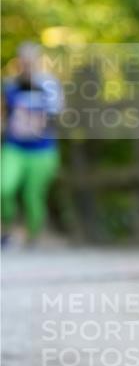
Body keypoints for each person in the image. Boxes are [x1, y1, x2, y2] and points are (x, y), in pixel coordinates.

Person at [1, 41, 63, 246]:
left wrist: (37, 123)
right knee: (4, 187)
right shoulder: (10, 86)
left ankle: (32, 235)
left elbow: (57, 115)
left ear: (38, 61)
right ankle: (6, 229)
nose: (27, 65)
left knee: (32, 196)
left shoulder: (49, 86)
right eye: (23, 61)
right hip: (14, 147)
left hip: (42, 150)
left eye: (31, 61)